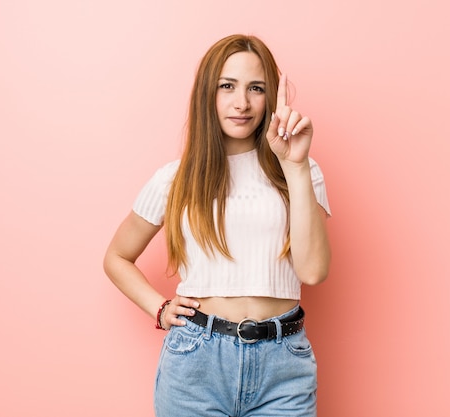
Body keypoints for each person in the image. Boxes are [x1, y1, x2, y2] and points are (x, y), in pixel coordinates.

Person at [103, 34, 331, 417]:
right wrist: (158, 308)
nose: (241, 102)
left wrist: (294, 167)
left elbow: (313, 271)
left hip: (283, 365)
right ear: (207, 93)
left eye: (255, 88)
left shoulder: (301, 169)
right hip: (196, 362)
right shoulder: (174, 180)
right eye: (228, 86)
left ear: (272, 97)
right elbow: (117, 257)